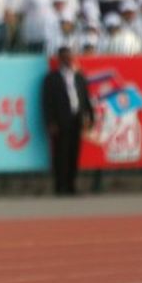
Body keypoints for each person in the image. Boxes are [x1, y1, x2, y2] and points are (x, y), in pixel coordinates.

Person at [40, 45, 95, 196]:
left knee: (73, 153)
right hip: (60, 121)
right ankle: (60, 186)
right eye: (64, 57)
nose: (68, 60)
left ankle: (71, 185)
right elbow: (47, 102)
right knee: (60, 154)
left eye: (69, 57)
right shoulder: (51, 78)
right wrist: (50, 122)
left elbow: (85, 98)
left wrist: (90, 116)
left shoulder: (79, 76)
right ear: (59, 60)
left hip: (76, 118)